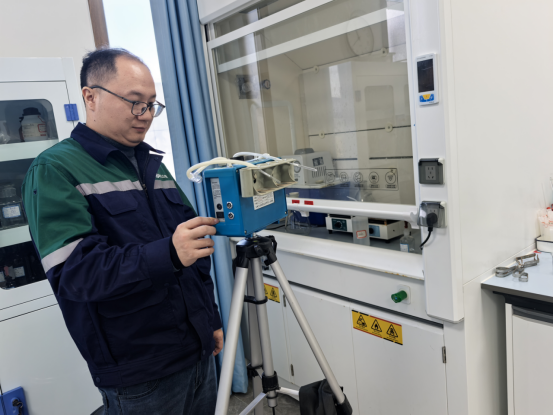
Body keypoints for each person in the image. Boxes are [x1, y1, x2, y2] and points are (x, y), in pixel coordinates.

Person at [22, 48, 223, 415]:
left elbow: (194, 251)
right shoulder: (56, 169)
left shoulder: (152, 165)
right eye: (134, 102)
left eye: (151, 104)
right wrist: (168, 253)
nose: (144, 114)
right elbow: (76, 273)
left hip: (196, 350)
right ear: (90, 97)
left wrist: (210, 319)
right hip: (140, 371)